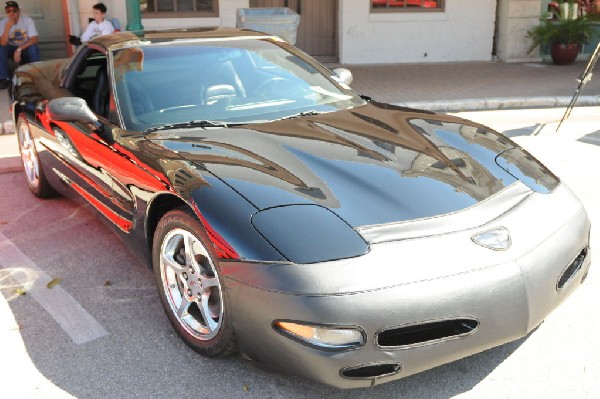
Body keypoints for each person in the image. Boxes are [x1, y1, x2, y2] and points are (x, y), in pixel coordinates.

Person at [0, 1, 40, 90]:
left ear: (19, 11)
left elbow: (34, 39)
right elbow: (2, 43)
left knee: (33, 47)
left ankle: (37, 75)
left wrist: (19, 49)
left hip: (24, 48)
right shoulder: (3, 23)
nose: (11, 13)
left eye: (14, 10)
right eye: (8, 11)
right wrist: (7, 28)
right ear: (6, 12)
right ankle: (3, 78)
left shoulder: (27, 20)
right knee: (0, 49)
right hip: (11, 49)